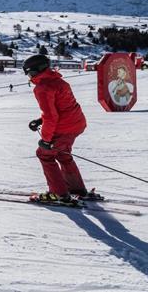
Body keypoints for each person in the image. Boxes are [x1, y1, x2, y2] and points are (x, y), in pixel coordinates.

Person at [24, 54, 92, 203]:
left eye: (28, 73)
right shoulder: (59, 81)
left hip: (64, 128)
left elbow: (51, 116)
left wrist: (46, 140)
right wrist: (39, 120)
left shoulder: (42, 87)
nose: (28, 77)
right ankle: (76, 189)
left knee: (45, 154)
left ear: (35, 71)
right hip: (77, 124)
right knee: (63, 155)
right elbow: (62, 108)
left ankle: (58, 194)